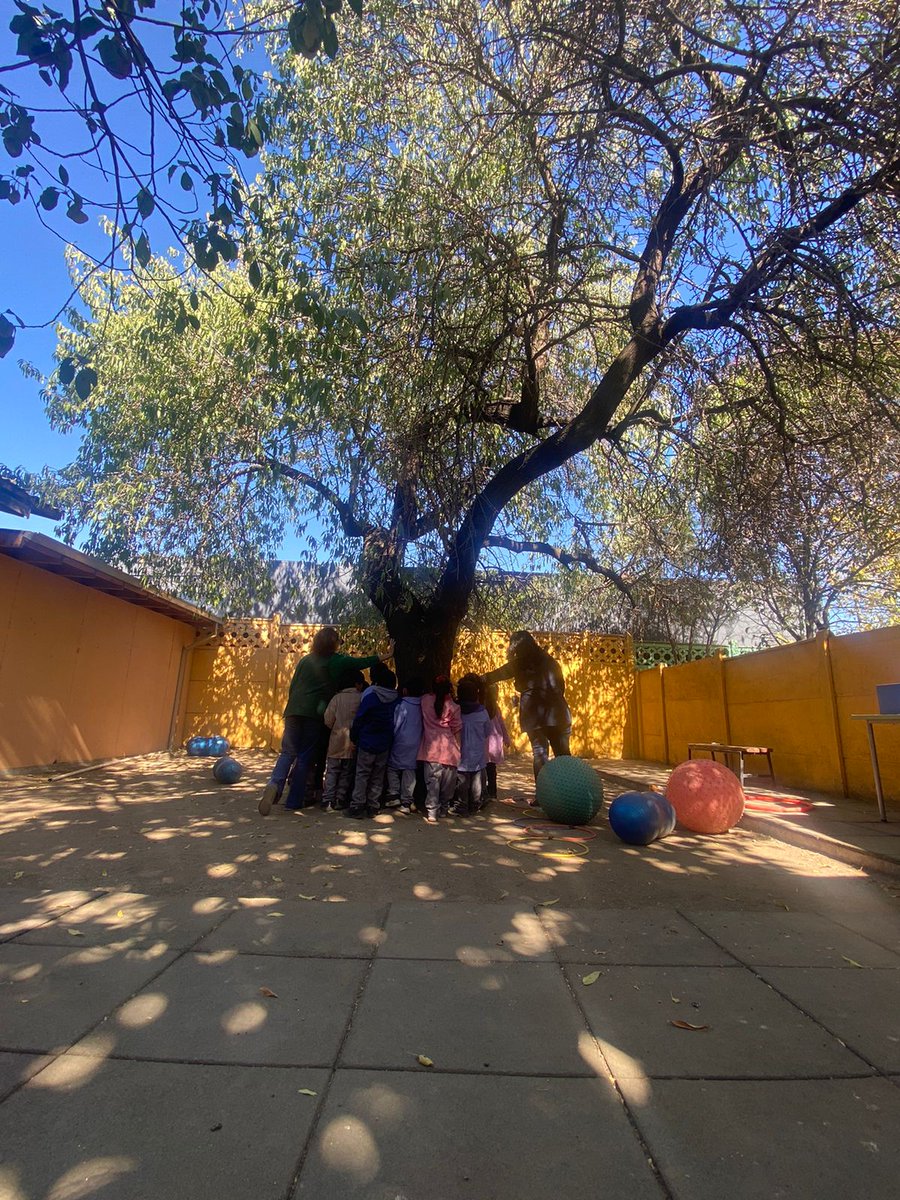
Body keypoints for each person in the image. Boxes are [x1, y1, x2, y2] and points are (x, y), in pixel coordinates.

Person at [258, 628, 393, 815]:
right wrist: (386, 655)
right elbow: (361, 662)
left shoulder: (305, 660)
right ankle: (293, 801)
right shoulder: (336, 660)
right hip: (314, 713)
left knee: (288, 752)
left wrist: (293, 708)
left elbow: (293, 686)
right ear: (334, 643)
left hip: (293, 710)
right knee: (305, 756)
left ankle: (274, 784)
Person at [482, 630, 571, 779]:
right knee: (564, 757)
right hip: (558, 714)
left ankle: (542, 795)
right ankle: (572, 794)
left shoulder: (519, 663)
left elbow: (495, 675)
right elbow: (561, 687)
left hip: (534, 715)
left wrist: (475, 679)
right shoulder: (551, 662)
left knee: (540, 754)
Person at [347, 661, 400, 818]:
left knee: (362, 773)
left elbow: (360, 718)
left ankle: (357, 806)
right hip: (385, 742)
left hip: (367, 740)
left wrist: (354, 737)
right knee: (378, 774)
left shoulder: (371, 695)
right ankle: (373, 806)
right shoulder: (396, 699)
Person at [418, 675, 462, 823]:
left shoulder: (424, 701)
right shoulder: (454, 707)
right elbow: (456, 730)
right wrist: (459, 749)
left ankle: (431, 812)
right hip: (449, 751)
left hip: (431, 750)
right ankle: (444, 809)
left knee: (432, 783)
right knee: (448, 785)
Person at [321, 668, 365, 812]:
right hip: (353, 741)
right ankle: (340, 799)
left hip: (336, 740)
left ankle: (327, 800)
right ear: (357, 684)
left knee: (332, 771)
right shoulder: (362, 697)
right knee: (347, 772)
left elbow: (328, 719)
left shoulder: (336, 698)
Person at [450, 676, 491, 815]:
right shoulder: (482, 712)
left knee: (462, 782)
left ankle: (462, 805)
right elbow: (487, 731)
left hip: (460, 753)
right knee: (477, 781)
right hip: (477, 753)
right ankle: (475, 804)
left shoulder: (456, 711)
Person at [386, 676, 425, 815]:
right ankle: (407, 801)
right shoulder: (423, 707)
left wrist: (392, 737)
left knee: (392, 768)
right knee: (410, 772)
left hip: (401, 741)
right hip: (416, 743)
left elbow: (396, 724)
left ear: (405, 691)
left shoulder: (402, 706)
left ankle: (394, 794)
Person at [484, 683, 512, 800]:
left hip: (485, 743)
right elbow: (502, 724)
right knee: (491, 769)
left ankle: (484, 793)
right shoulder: (495, 708)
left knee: (483, 769)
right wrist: (506, 738)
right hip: (494, 742)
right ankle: (492, 793)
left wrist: (506, 737)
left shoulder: (482, 707)